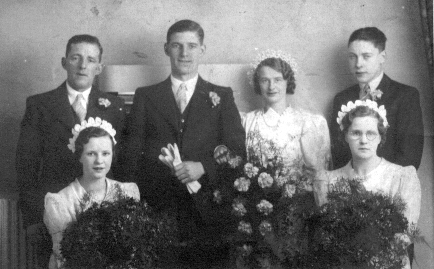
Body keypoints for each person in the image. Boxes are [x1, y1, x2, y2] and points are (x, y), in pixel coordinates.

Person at [122, 19, 246, 266]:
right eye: (177, 46)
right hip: (158, 209)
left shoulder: (221, 96)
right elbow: (130, 155)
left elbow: (238, 152)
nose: (184, 53)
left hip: (208, 212)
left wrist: (203, 167)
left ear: (202, 49)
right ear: (166, 49)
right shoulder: (146, 96)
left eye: (191, 45)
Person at [15, 34, 126, 267]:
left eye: (90, 59)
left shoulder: (114, 108)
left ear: (99, 67)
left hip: (103, 214)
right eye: (76, 58)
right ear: (64, 62)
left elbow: (123, 164)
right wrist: (33, 218)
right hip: (54, 214)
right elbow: (26, 166)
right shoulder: (40, 105)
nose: (83, 65)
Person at [316, 100, 421, 269]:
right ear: (345, 136)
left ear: (380, 137)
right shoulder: (328, 181)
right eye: (356, 133)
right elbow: (327, 237)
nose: (363, 140)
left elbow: (405, 233)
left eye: (371, 133)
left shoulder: (401, 177)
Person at [44, 117, 139, 269]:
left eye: (106, 153)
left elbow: (133, 249)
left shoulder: (127, 191)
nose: (99, 161)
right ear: (79, 156)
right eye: (91, 154)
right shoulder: (61, 201)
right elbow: (64, 256)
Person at [331, 27, 424, 170]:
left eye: (366, 56)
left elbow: (410, 157)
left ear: (382, 57)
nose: (358, 64)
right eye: (352, 56)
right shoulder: (342, 99)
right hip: (349, 186)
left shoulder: (406, 96)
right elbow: (338, 154)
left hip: (390, 186)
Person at [242, 50, 331, 180]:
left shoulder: (308, 122)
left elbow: (318, 175)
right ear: (258, 83)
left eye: (277, 80)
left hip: (298, 197)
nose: (271, 87)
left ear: (287, 82)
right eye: (265, 80)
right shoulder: (247, 121)